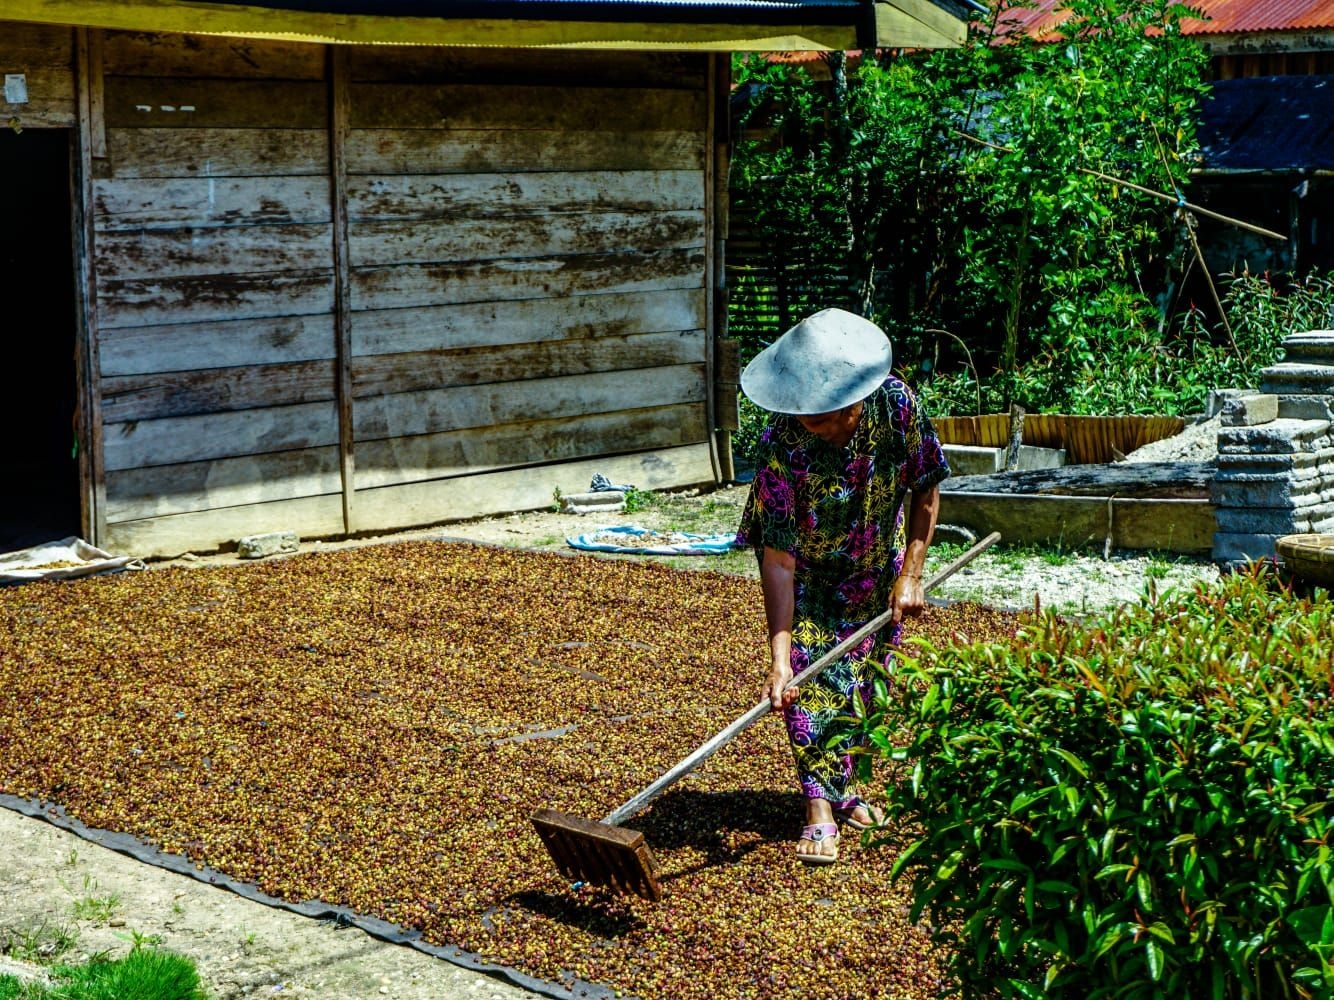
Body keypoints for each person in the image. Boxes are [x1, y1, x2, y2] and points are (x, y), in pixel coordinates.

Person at [735, 308, 950, 865]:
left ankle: (847, 792)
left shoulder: (897, 407)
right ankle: (818, 807)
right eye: (805, 417)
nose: (814, 425)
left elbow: (926, 487)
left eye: (824, 417)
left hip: (877, 571)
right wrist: (778, 659)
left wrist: (911, 575)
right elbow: (778, 560)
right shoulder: (781, 444)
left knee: (866, 690)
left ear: (855, 397)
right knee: (807, 686)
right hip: (809, 579)